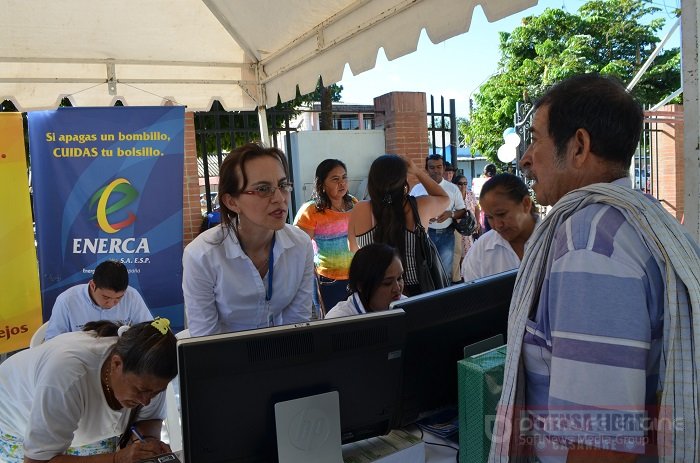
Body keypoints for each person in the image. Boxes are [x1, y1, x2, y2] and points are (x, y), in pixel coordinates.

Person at [490, 74, 700, 463]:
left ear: (579, 147)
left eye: (535, 139)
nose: (524, 158)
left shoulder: (588, 243)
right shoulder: (648, 219)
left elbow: (600, 445)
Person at [183, 142, 314, 336]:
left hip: (281, 352)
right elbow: (205, 337)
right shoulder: (201, 256)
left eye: (283, 185)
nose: (280, 198)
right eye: (263, 189)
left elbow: (297, 323)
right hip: (225, 356)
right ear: (231, 202)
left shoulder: (300, 245)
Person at [0, 319, 177, 463]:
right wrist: (117, 458)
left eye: (155, 393)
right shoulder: (68, 376)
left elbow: (149, 418)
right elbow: (38, 460)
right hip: (17, 429)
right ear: (116, 364)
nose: (146, 401)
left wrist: (145, 445)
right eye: (140, 390)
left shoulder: (149, 374)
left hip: (87, 436)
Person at [348, 154, 449, 296]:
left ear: (372, 180)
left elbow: (353, 250)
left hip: (374, 292)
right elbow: (444, 198)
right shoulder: (420, 206)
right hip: (415, 292)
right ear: (404, 180)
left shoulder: (359, 209)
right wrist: (417, 171)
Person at [294, 159, 357, 315]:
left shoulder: (354, 204)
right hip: (328, 281)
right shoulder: (311, 211)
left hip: (356, 277)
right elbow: (299, 249)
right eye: (335, 179)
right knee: (333, 323)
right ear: (322, 184)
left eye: (344, 177)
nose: (342, 183)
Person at [45, 260, 153, 341]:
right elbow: (52, 340)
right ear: (92, 285)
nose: (111, 304)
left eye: (119, 298)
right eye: (106, 297)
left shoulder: (132, 295)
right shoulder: (66, 300)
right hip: (79, 357)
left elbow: (148, 331)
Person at [460, 173, 537, 282]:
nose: (497, 225)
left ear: (526, 204)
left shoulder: (557, 240)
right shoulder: (480, 251)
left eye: (502, 214)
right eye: (489, 217)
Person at [409, 154, 466, 280]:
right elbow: (409, 212)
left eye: (439, 167)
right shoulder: (417, 189)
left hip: (446, 235)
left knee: (444, 273)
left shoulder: (453, 189)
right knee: (426, 273)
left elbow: (462, 211)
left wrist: (449, 214)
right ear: (426, 169)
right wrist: (423, 216)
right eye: (432, 167)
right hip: (424, 235)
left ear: (444, 168)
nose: (436, 170)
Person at [324, 243, 407, 318]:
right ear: (361, 286)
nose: (397, 288)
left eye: (399, 278)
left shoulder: (405, 305)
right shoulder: (339, 319)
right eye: (387, 283)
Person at [451, 174, 481, 281]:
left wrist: (478, 222)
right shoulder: (452, 195)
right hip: (457, 228)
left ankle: (466, 274)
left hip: (469, 228)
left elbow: (477, 208)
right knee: (458, 252)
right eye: (460, 183)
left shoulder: (470, 194)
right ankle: (459, 276)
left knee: (468, 251)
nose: (463, 186)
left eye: (465, 183)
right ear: (455, 184)